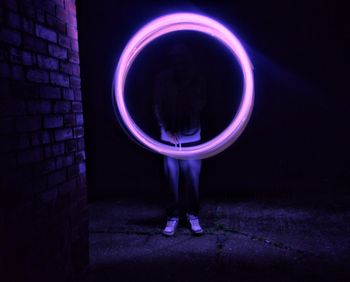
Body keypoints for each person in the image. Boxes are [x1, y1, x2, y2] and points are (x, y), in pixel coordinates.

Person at [153, 43, 206, 236]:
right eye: (175, 59)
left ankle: (193, 215)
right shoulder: (162, 79)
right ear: (171, 60)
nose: (178, 63)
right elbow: (158, 105)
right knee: (171, 179)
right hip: (168, 139)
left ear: (188, 60)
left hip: (192, 136)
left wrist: (185, 121)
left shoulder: (196, 79)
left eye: (182, 59)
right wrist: (166, 129)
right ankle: (172, 216)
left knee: (192, 178)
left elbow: (200, 103)